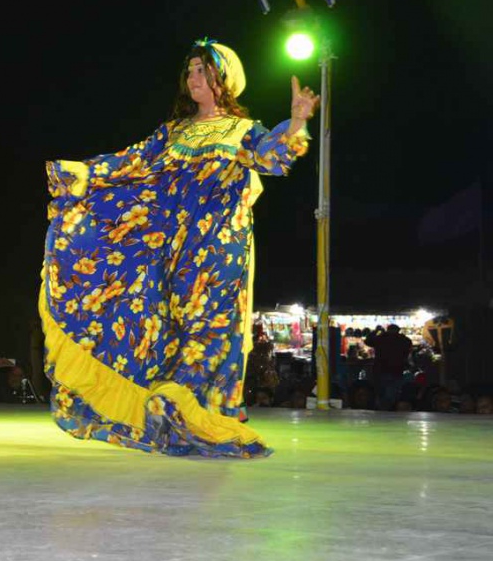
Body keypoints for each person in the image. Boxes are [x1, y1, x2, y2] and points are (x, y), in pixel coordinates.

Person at [41, 39, 318, 457]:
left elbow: (273, 158)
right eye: (189, 71)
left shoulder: (241, 131)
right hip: (171, 251)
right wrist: (84, 172)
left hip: (220, 247)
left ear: (223, 79)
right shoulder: (174, 133)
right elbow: (130, 162)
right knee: (164, 324)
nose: (193, 79)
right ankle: (169, 403)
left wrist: (296, 122)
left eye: (202, 71)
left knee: (209, 327)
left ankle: (188, 405)